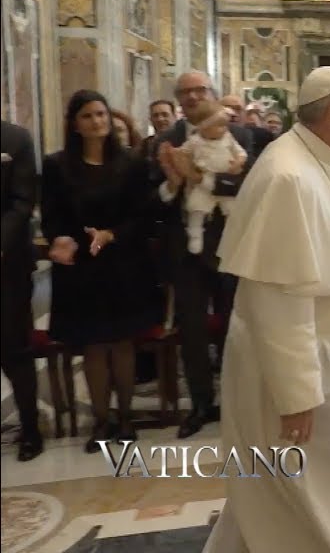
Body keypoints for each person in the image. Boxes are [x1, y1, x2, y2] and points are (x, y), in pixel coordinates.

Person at [204, 67, 330, 553]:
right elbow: (276, 296)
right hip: (304, 368)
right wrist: (296, 394)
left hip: (323, 356)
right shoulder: (289, 176)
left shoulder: (312, 158)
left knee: (280, 495)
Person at [43, 90, 153, 451]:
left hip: (122, 264)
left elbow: (142, 216)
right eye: (88, 116)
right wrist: (62, 239)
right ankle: (101, 421)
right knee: (93, 345)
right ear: (75, 124)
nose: (97, 122)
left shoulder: (131, 163)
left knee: (121, 343)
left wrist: (111, 234)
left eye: (102, 114)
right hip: (82, 269)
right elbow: (52, 216)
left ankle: (125, 417)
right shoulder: (58, 166)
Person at [152, 71, 256, 438]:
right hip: (186, 251)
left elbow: (248, 185)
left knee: (236, 328)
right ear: (179, 100)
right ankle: (200, 404)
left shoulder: (240, 135)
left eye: (200, 90)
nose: (194, 96)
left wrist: (202, 180)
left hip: (231, 246)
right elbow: (153, 200)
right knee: (192, 331)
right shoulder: (166, 142)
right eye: (186, 92)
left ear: (211, 94)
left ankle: (238, 402)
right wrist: (173, 182)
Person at [1, 121, 42, 460]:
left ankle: (31, 428)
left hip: (8, 264)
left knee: (15, 349)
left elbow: (22, 200)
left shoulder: (16, 138)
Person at [180, 100, 248, 254]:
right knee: (196, 207)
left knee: (232, 210)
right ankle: (195, 233)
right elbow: (182, 152)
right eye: (219, 126)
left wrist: (237, 162)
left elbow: (241, 153)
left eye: (225, 125)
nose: (224, 129)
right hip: (205, 181)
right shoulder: (195, 141)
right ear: (204, 127)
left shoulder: (228, 138)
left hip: (226, 182)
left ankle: (232, 237)